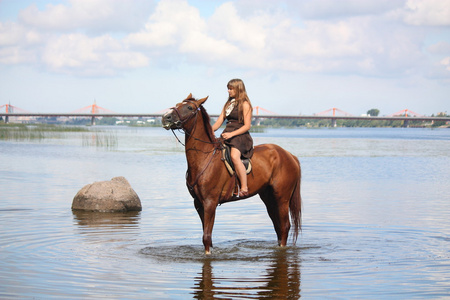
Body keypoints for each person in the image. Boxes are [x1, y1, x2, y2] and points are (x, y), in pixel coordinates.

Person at [212, 78, 254, 197]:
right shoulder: (228, 105)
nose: (228, 91)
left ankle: (244, 186)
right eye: (228, 88)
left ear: (238, 89)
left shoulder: (245, 104)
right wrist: (208, 131)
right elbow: (218, 122)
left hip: (240, 136)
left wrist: (231, 134)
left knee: (234, 157)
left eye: (231, 89)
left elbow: (247, 126)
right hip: (227, 134)